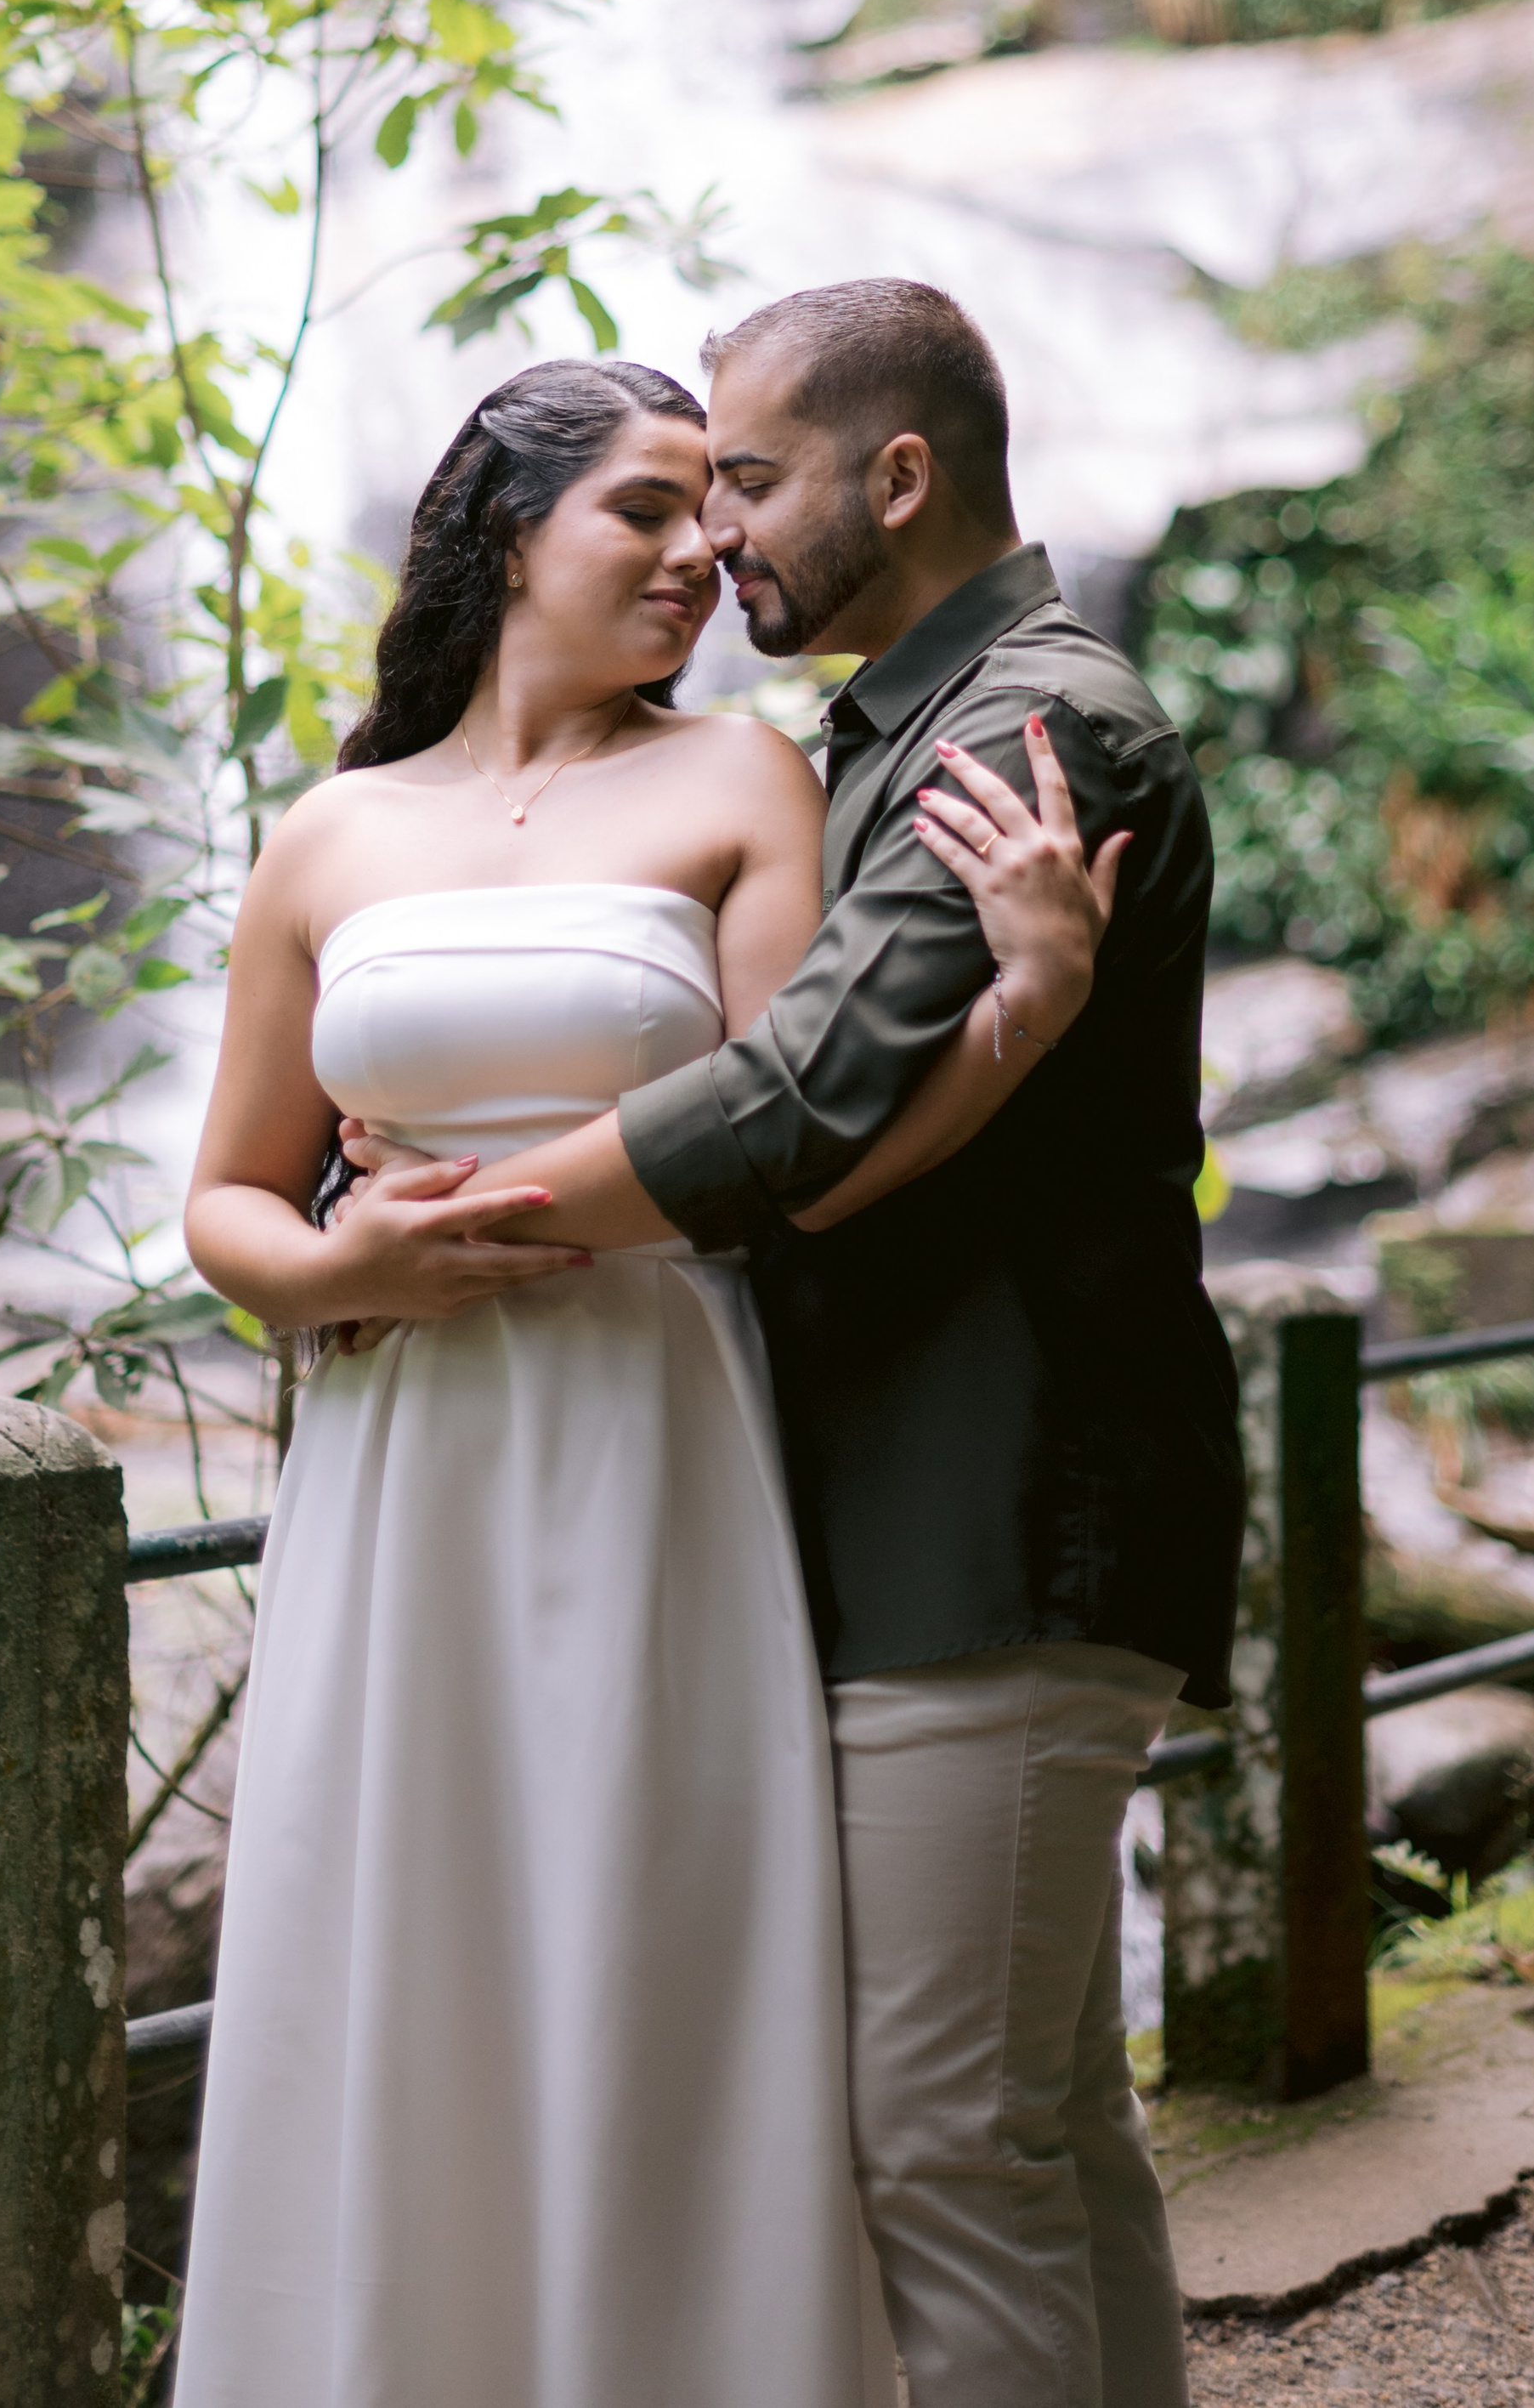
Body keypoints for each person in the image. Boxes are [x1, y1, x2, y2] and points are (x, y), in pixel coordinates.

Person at [327, 282, 1247, 2408]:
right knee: (1038, 2117)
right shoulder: (902, 729)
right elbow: (829, 1153)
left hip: (998, 1511)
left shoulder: (1029, 729)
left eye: (742, 477)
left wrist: (444, 1213)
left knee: (940, 2138)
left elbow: (790, 1110)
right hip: (929, 1513)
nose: (717, 532)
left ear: (894, 477)